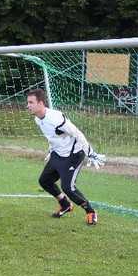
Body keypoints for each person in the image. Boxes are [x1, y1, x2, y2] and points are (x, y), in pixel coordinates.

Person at [26, 88, 105, 225]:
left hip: (73, 155)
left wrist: (90, 153)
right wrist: (50, 151)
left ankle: (91, 211)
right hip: (58, 154)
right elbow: (52, 136)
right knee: (45, 181)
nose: (28, 106)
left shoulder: (56, 118)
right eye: (28, 102)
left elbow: (77, 133)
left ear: (41, 103)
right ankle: (65, 205)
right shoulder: (38, 119)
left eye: (31, 102)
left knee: (68, 188)